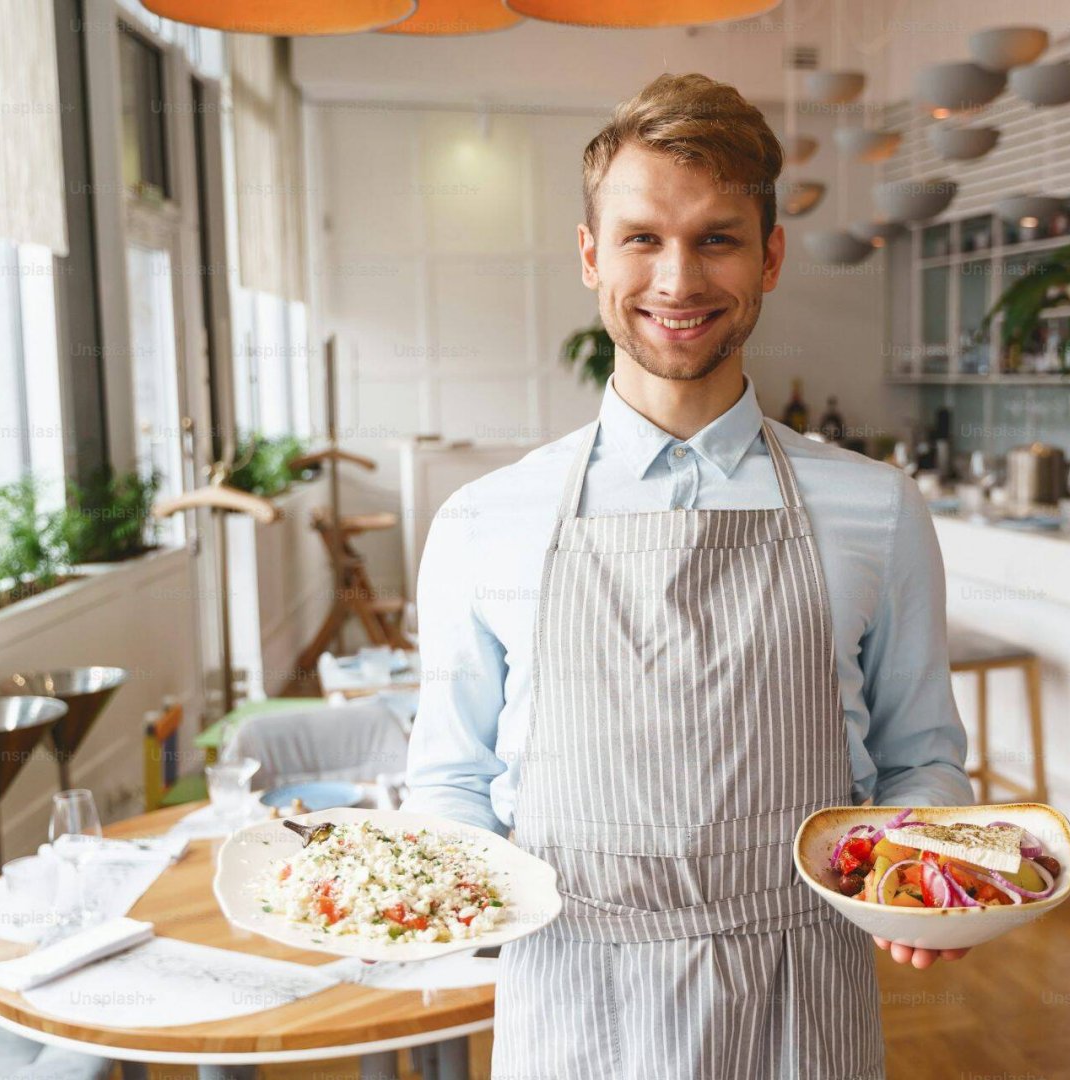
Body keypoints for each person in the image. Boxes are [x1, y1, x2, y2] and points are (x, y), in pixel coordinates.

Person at [405, 71, 974, 1079]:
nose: (678, 279)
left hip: (802, 995)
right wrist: (442, 892)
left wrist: (919, 862)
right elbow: (449, 780)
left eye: (717, 237)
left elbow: (921, 757)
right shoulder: (482, 522)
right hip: (570, 993)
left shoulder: (876, 511)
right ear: (590, 255)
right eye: (642, 239)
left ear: (771, 256)